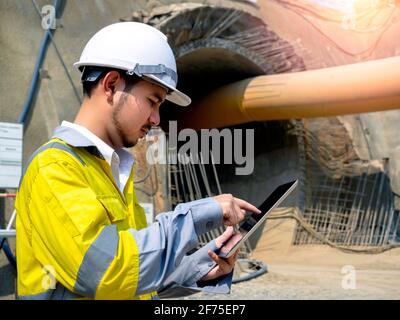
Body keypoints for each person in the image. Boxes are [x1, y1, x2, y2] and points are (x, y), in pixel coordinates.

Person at [15, 22, 260, 300]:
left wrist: (197, 269)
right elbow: (105, 272)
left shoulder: (113, 170)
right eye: (153, 101)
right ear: (111, 85)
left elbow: (133, 275)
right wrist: (195, 216)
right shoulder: (55, 168)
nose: (156, 119)